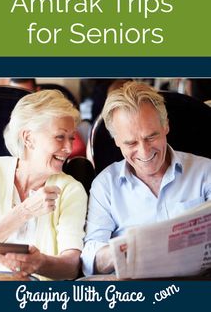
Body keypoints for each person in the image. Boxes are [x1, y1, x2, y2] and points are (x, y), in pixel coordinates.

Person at [81, 81, 211, 276]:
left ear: (165, 125)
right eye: (131, 142)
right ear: (116, 140)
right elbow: (90, 260)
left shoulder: (206, 171)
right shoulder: (105, 185)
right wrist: (126, 248)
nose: (144, 151)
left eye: (151, 137)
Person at [0, 89, 87, 280]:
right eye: (60, 137)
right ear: (28, 138)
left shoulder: (71, 189)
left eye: (71, 138)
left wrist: (39, 263)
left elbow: (71, 267)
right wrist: (24, 211)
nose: (69, 148)